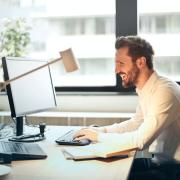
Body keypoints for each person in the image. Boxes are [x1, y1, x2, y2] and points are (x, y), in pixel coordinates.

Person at [74, 36, 180, 179]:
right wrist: (101, 130)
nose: (116, 70)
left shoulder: (164, 91)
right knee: (99, 168)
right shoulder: (147, 88)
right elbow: (136, 123)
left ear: (141, 62)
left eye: (121, 63)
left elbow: (140, 141)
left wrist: (97, 137)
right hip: (160, 161)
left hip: (173, 169)